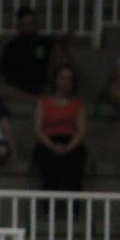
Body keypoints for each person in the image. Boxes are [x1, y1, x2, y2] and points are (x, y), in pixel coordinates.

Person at [0, 7, 72, 100]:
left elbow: (63, 49)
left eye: (31, 24)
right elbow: (2, 72)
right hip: (16, 89)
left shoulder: (45, 42)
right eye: (24, 24)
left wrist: (62, 42)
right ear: (18, 26)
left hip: (41, 87)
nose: (28, 27)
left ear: (36, 25)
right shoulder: (10, 46)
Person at [33, 65, 87, 193]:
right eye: (62, 78)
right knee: (50, 168)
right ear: (56, 80)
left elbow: (81, 131)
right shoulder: (43, 102)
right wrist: (52, 147)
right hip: (48, 142)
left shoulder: (78, 104)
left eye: (69, 79)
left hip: (71, 142)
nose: (66, 82)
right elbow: (37, 129)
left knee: (75, 168)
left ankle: (73, 210)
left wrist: (68, 148)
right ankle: (48, 208)